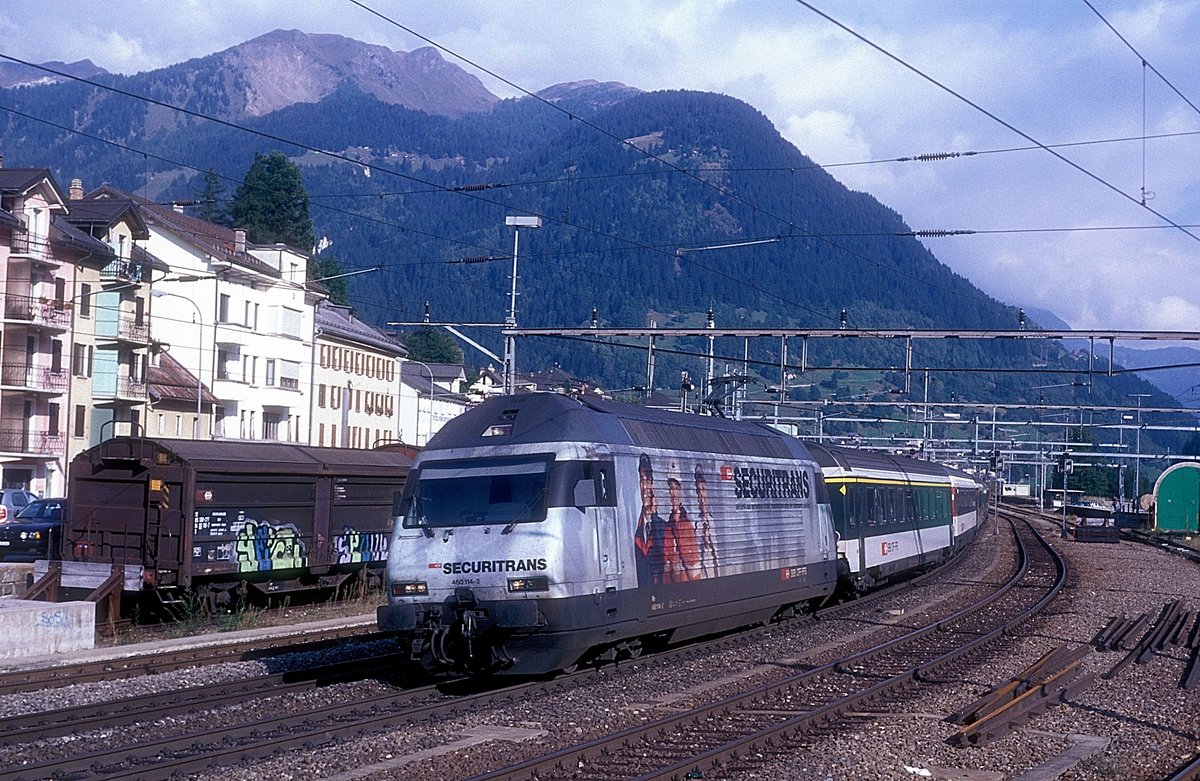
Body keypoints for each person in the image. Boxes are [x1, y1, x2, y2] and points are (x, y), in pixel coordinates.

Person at [634, 454, 666, 585]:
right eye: (642, 480)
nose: (645, 487)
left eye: (648, 480)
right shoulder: (635, 532)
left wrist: (654, 516)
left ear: (653, 484)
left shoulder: (663, 527)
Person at [664, 473, 701, 582]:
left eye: (676, 488)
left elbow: (693, 560)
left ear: (680, 491)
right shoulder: (668, 526)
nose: (673, 493)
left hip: (687, 583)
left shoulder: (687, 523)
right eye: (671, 489)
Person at [694, 466, 719, 578]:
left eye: (703, 489)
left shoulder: (713, 521)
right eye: (698, 491)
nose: (701, 496)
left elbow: (717, 555)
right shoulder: (696, 524)